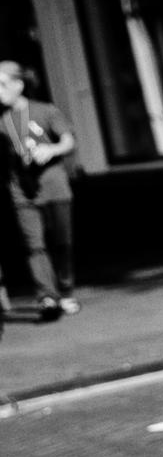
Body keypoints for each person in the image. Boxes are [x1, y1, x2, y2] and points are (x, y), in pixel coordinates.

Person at [0, 60, 80, 321]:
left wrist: (51, 149)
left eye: (2, 84)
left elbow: (68, 141)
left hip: (54, 185)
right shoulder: (2, 121)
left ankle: (65, 291)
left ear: (18, 85)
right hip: (21, 189)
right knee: (34, 245)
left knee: (62, 243)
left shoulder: (46, 111)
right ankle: (47, 296)